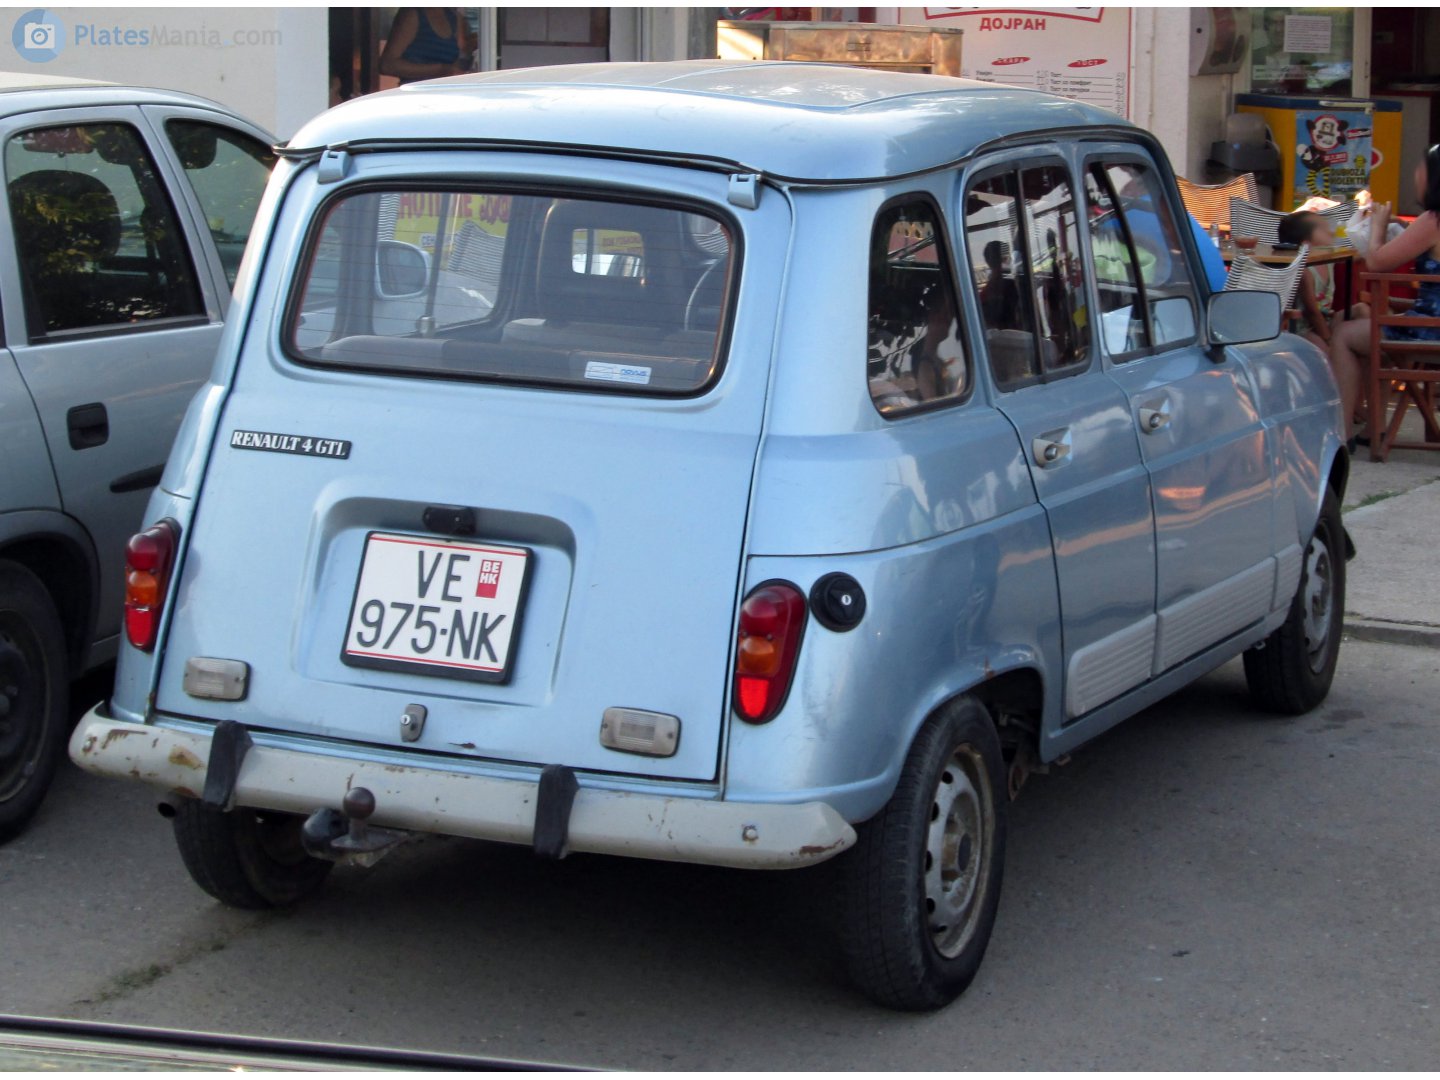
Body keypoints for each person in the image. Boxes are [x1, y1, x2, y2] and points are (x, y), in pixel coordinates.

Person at [1328, 144, 1440, 444]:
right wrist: (1401, 226)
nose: (1417, 174)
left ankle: (1342, 432)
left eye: (1422, 168)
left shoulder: (1433, 220)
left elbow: (1376, 263)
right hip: (1428, 324)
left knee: (1344, 334)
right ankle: (1373, 425)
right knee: (1363, 322)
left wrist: (1377, 226)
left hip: (1430, 332)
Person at [1278, 210, 1368, 356]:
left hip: (1326, 320)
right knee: (1327, 353)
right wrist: (1329, 340)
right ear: (1306, 244)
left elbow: (1357, 256)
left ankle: (1371, 354)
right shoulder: (1304, 271)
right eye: (1323, 230)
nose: (1330, 232)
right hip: (1303, 329)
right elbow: (1311, 312)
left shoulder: (1327, 260)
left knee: (1361, 309)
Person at [379, 9, 472, 85]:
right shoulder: (412, 13)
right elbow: (387, 65)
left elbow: (457, 61)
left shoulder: (454, 18)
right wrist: (440, 70)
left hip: (445, 94)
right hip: (416, 94)